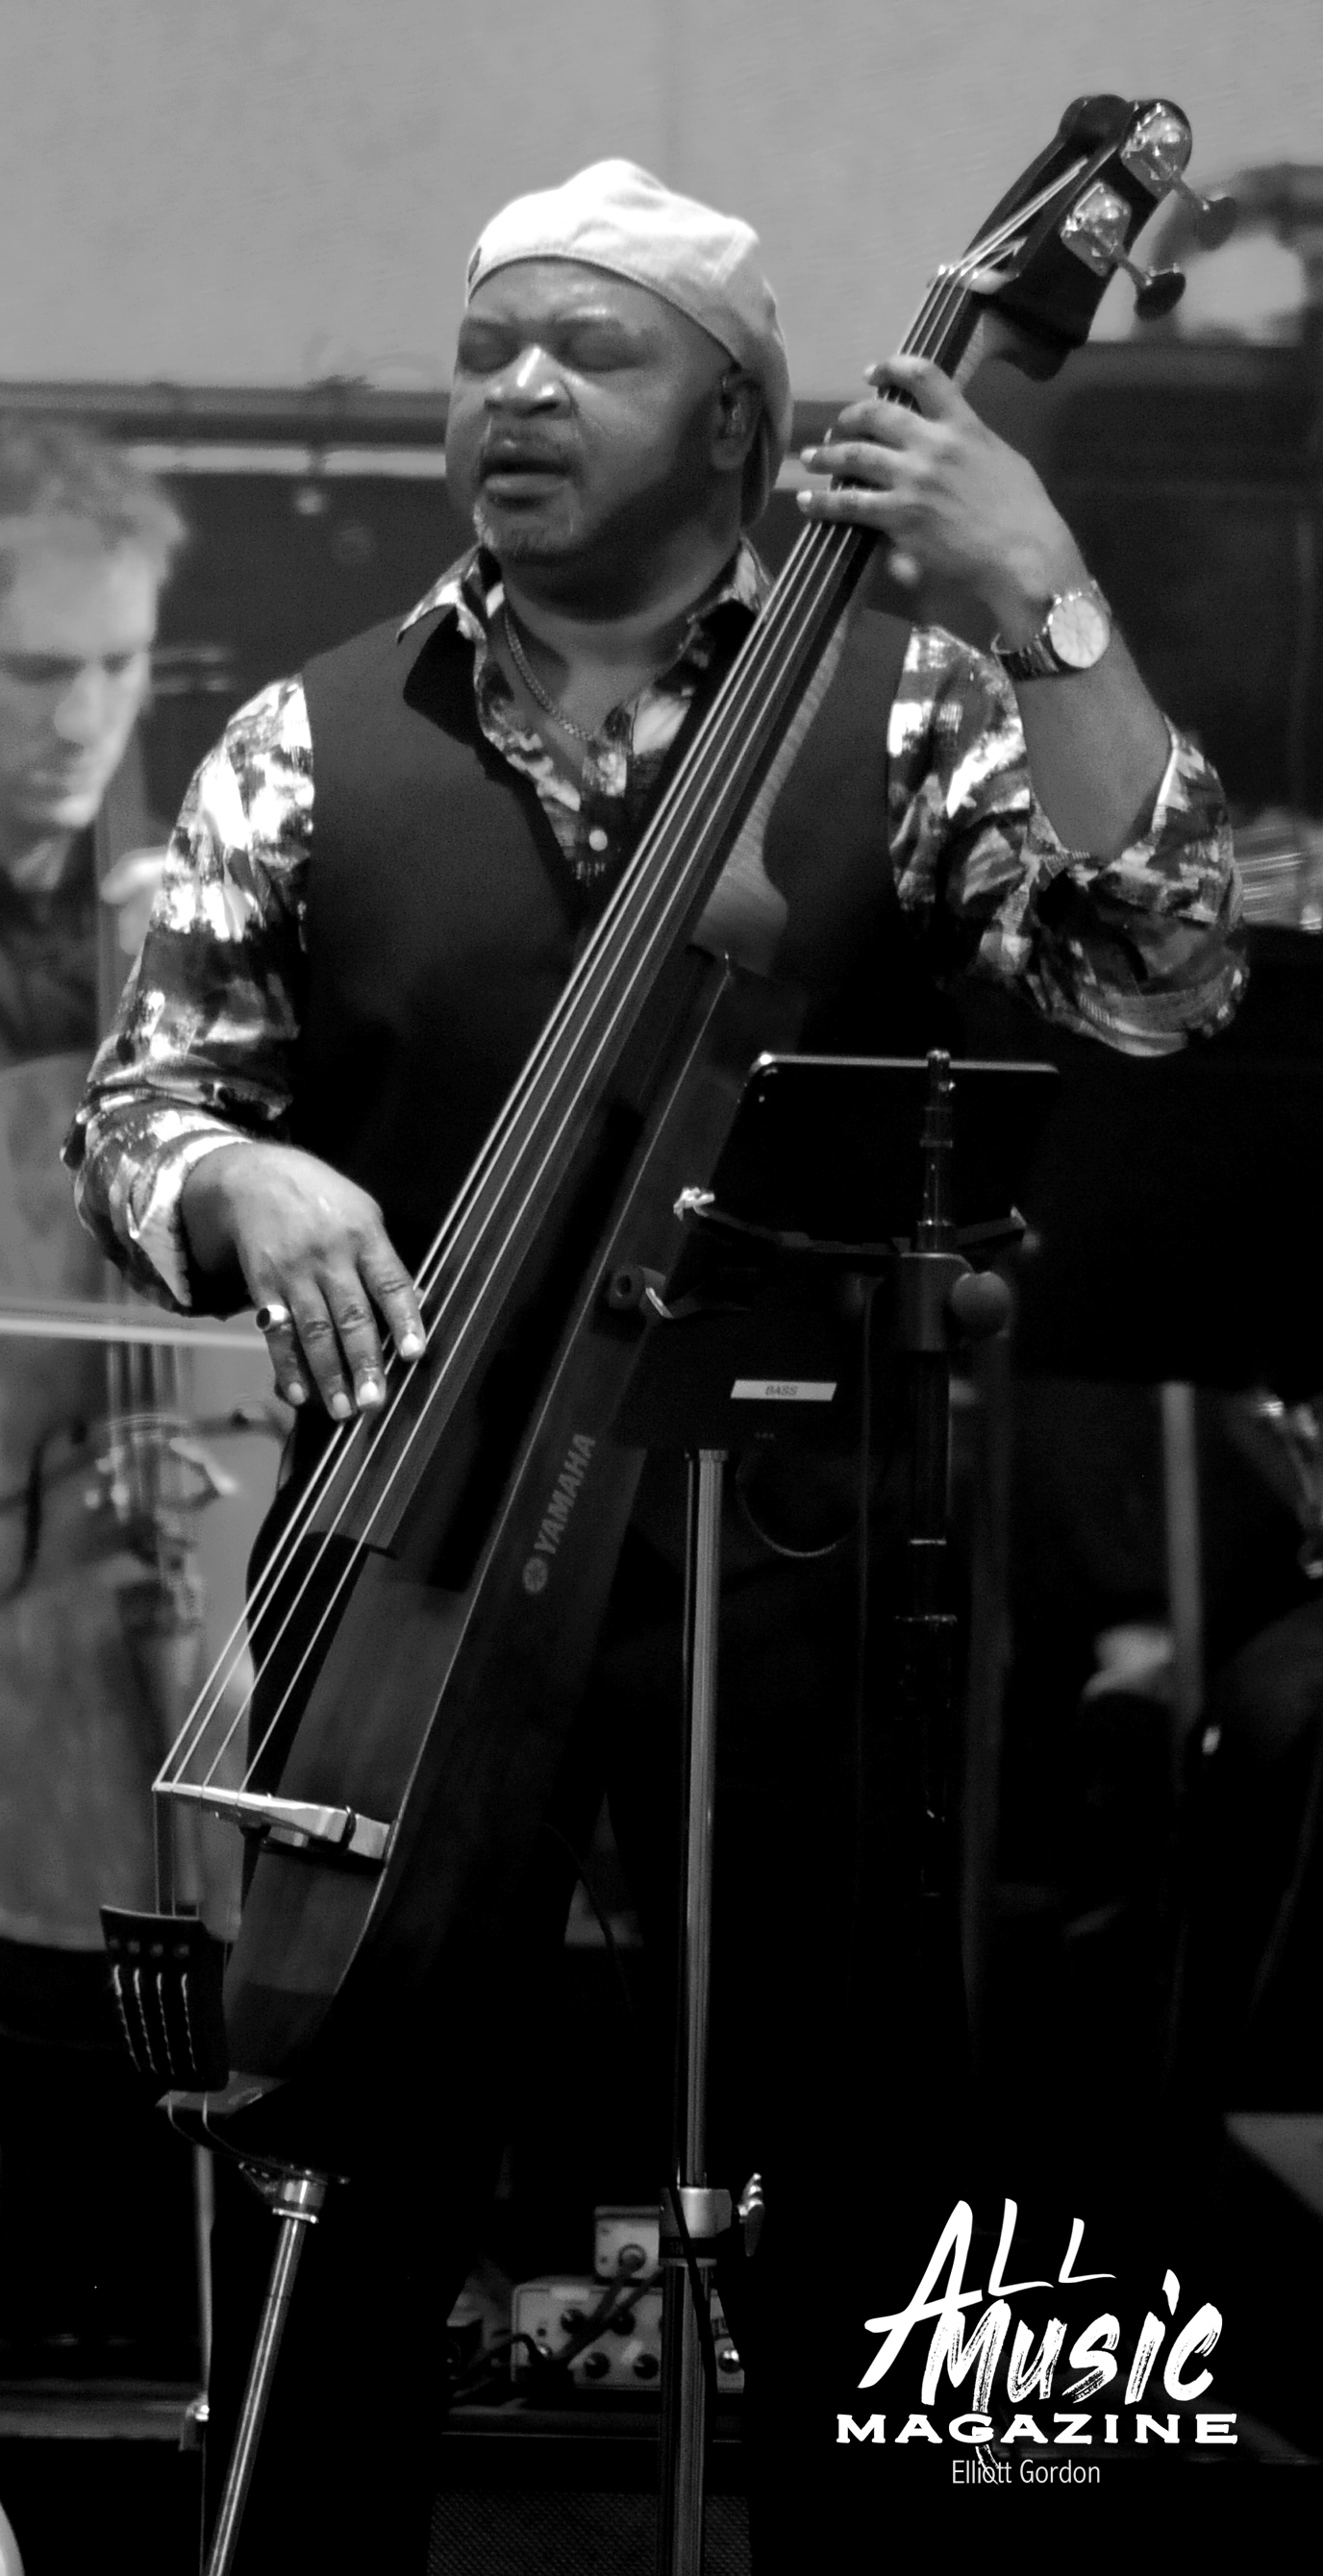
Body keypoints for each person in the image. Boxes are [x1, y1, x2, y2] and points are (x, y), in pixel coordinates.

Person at [66, 163, 1241, 2566]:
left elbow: (1154, 972)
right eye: (482, 347)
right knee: (343, 2188)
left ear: (735, 421)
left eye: (584, 352)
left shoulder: (914, 704)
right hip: (408, 1546)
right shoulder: (302, 741)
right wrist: (236, 1178)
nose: (510, 389)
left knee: (865, 2190)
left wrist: (1041, 592)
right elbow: (137, 1109)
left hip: (808, 1558)